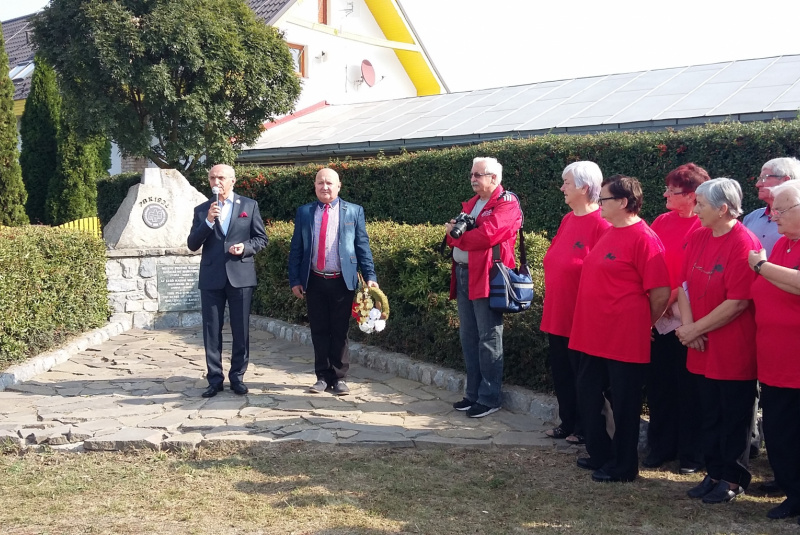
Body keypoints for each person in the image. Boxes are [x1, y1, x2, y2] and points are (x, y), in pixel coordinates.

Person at [570, 175, 670, 483]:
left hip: (623, 337)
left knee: (625, 403)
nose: (599, 205)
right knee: (587, 394)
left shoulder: (645, 238)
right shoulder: (610, 232)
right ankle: (601, 454)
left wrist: (644, 324)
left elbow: (661, 292)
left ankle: (624, 465)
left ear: (623, 202)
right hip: (592, 334)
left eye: (604, 200)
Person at [676, 178, 761, 504]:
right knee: (707, 412)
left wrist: (696, 329)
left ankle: (732, 478)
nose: (695, 209)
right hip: (699, 343)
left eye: (700, 204)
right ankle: (712, 472)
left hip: (731, 347)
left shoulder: (744, 243)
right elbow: (683, 284)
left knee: (733, 415)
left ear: (723, 209)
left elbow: (737, 302)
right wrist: (688, 327)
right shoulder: (698, 235)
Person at [288, 167, 378, 396]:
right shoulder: (305, 212)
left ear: (339, 186)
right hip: (315, 280)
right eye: (320, 183)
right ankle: (321, 376)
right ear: (315, 186)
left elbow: (362, 246)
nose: (325, 187)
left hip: (342, 281)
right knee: (318, 330)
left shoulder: (354, 212)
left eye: (329, 183)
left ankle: (339, 378)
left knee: (339, 331)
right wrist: (295, 279)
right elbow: (296, 249)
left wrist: (370, 277)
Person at [644, 163, 709, 474]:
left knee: (689, 387)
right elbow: (652, 261)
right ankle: (660, 446)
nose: (666, 194)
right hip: (661, 315)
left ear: (693, 196)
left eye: (673, 190)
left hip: (690, 316)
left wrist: (669, 297)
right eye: (667, 188)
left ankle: (691, 454)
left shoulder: (705, 226)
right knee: (660, 384)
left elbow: (695, 271)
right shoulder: (662, 220)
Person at [446, 157, 522, 418]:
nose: (473, 179)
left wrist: (460, 237)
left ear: (494, 178)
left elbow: (489, 236)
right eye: (472, 175)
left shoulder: (506, 203)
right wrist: (458, 235)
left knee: (489, 337)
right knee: (468, 336)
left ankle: (489, 398)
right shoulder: (473, 204)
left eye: (478, 175)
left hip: (488, 277)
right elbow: (451, 237)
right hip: (465, 273)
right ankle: (473, 394)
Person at [541, 161, 610, 445]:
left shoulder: (602, 224)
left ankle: (586, 427)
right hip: (557, 312)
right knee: (562, 372)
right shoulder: (568, 219)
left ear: (584, 187)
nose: (562, 188)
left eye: (567, 183)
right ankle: (567, 420)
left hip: (582, 317)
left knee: (584, 375)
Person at [187, 164, 268, 398]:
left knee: (240, 329)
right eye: (212, 177)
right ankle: (214, 378)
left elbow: (261, 239)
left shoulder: (249, 206)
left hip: (240, 276)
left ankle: (237, 377)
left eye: (221, 177)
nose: (216, 182)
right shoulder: (203, 210)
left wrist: (245, 248)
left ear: (232, 180)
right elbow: (192, 244)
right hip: (211, 277)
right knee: (212, 330)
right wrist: (209, 222)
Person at [742, 157, 799, 486]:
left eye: (781, 210)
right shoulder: (782, 244)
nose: (773, 215)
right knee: (779, 425)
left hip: (795, 358)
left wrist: (761, 267)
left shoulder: (772, 254)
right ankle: (786, 481)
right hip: (775, 357)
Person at [743, 157, 800, 256]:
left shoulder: (795, 224)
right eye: (759, 179)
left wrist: (762, 266)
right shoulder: (751, 218)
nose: (758, 184)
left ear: (785, 180)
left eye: (764, 178)